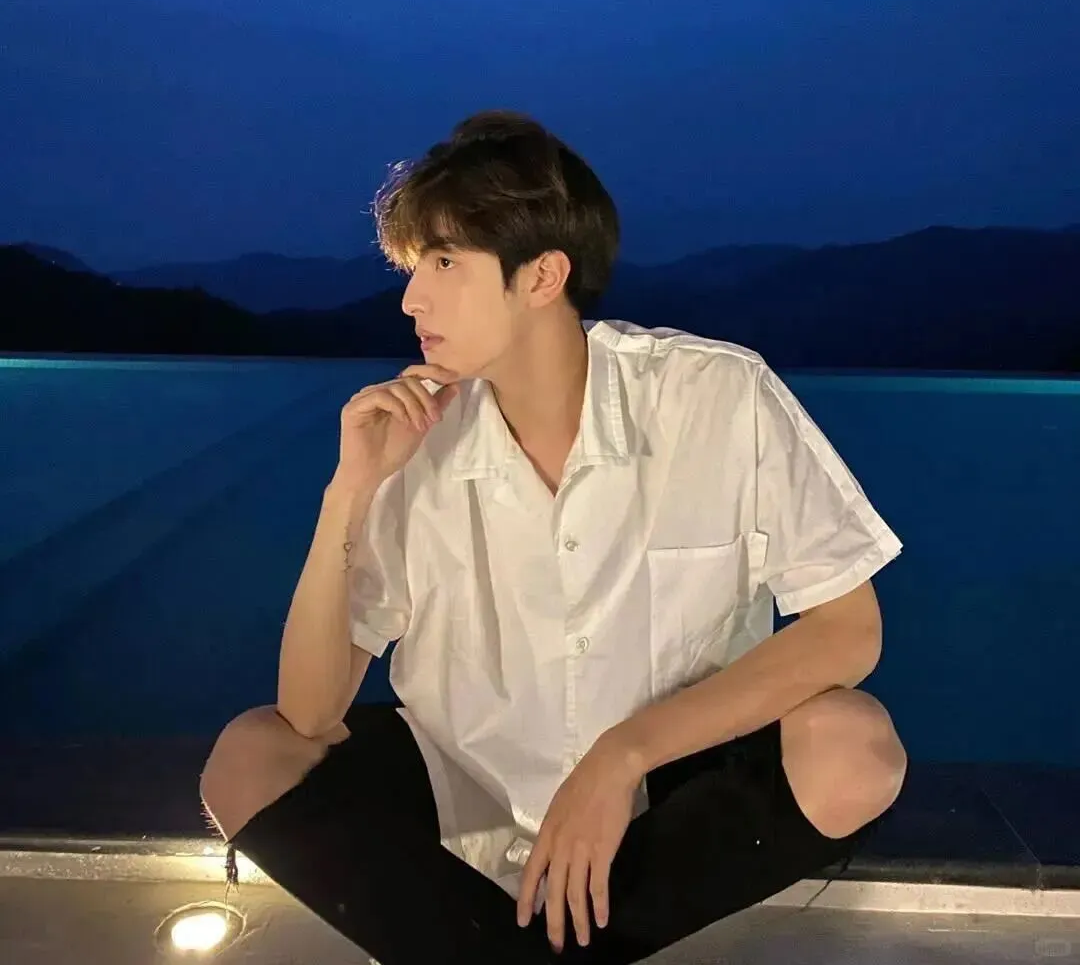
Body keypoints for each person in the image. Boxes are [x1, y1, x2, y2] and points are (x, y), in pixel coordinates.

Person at [200, 111, 909, 965]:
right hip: (465, 791)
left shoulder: (714, 395)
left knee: (854, 746)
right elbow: (309, 711)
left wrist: (623, 754)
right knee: (249, 758)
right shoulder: (416, 438)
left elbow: (848, 631)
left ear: (542, 276)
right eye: (413, 268)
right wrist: (347, 493)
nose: (411, 298)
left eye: (444, 263)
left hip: (665, 800)